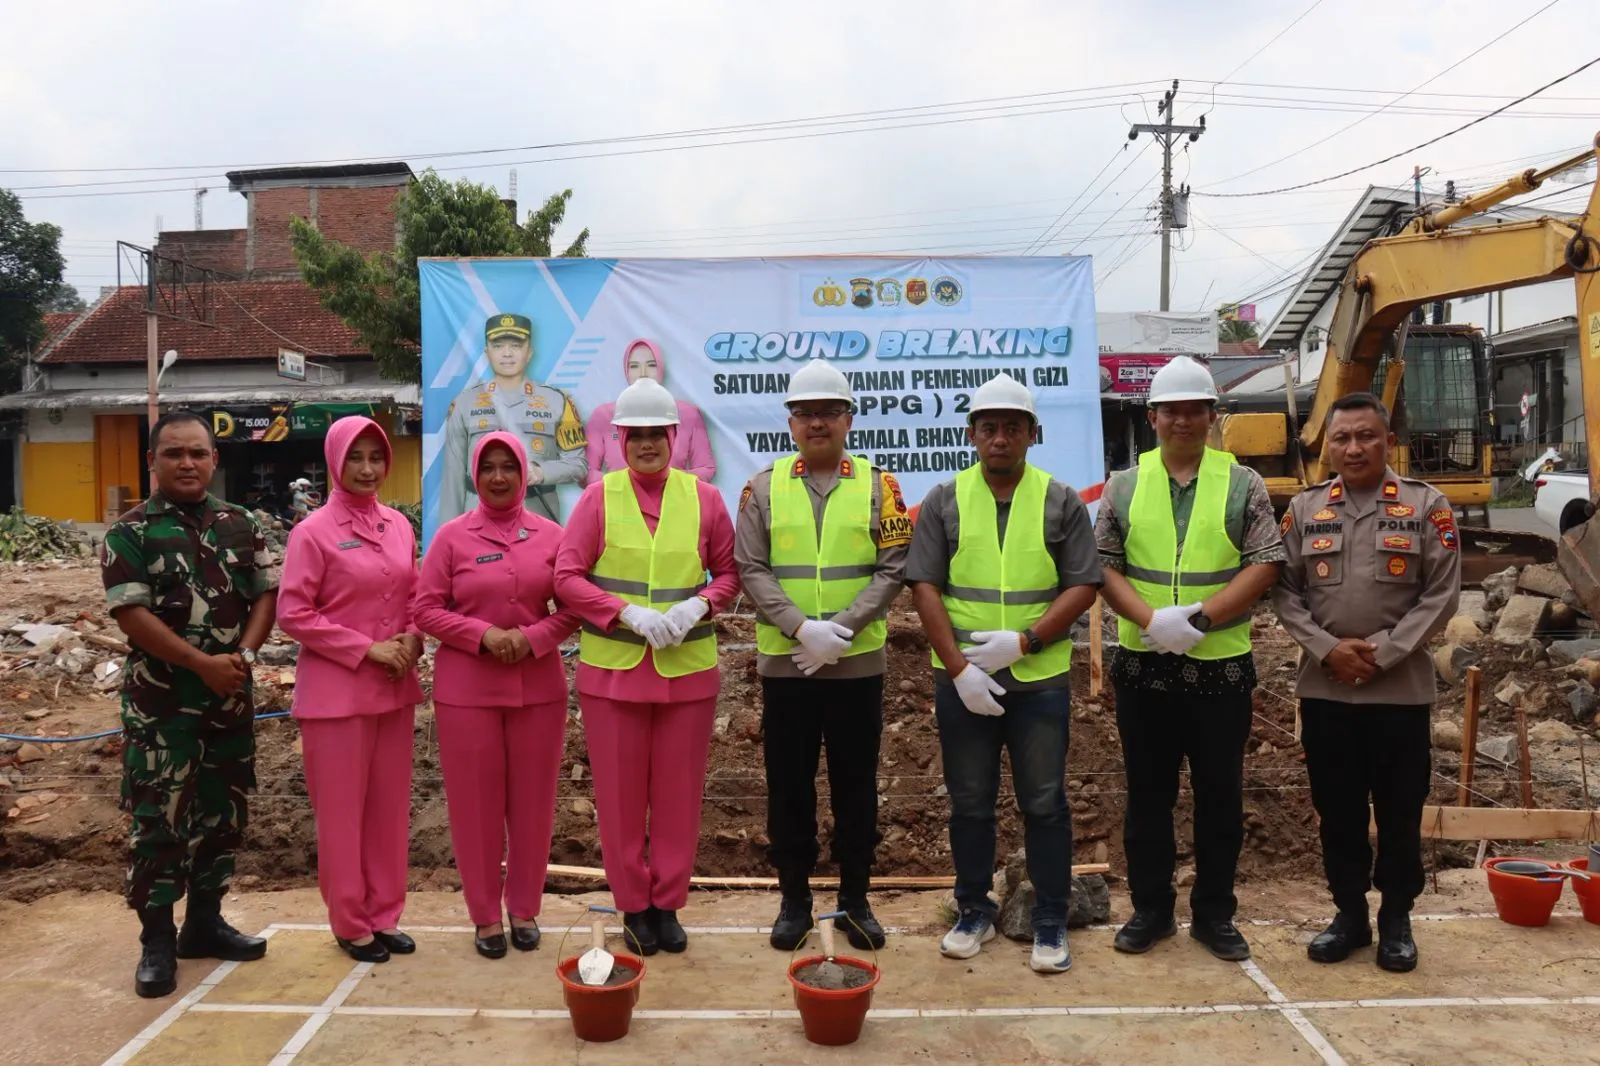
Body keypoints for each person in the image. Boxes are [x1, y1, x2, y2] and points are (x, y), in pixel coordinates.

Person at [906, 375, 1102, 974]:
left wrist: (1027, 640)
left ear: (1031, 434)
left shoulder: (1059, 499)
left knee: (1043, 803)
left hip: (1038, 681)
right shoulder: (944, 499)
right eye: (988, 427)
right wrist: (961, 668)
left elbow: (1084, 583)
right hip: (964, 682)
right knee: (970, 804)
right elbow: (924, 585)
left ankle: (1049, 921)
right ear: (972, 434)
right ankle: (972, 910)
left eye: (1012, 427)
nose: (999, 438)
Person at [1095, 356, 1283, 962]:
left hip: (1220, 667)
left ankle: (1214, 914)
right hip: (1143, 666)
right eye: (1171, 409)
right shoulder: (1123, 485)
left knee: (1219, 796)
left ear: (1211, 416)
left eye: (1194, 409)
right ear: (1152, 417)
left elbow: (1265, 562)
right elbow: (1102, 565)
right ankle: (1151, 911)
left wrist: (1200, 619)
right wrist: (1154, 622)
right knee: (1148, 796)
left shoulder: (1244, 484)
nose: (1182, 420)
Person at [1272, 393, 1460, 974]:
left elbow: (1441, 594)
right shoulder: (1303, 511)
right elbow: (1283, 590)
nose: (1353, 447)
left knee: (1401, 811)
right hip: (1327, 691)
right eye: (1342, 438)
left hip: (1399, 693)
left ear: (1388, 441)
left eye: (1366, 436)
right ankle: (1349, 914)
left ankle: (1397, 919)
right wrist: (1329, 650)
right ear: (1327, 445)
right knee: (1339, 811)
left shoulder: (1427, 507)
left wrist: (1381, 654)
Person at [554, 378, 740, 956]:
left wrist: (698, 604)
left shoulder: (705, 499)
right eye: (635, 436)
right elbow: (566, 578)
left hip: (686, 671)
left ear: (674, 436)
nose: (646, 444)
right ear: (620, 441)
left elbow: (730, 574)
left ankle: (668, 906)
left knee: (680, 796)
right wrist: (625, 613)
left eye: (657, 433)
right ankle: (634, 906)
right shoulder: (597, 498)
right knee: (619, 797)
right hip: (614, 673)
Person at [734, 359, 909, 953]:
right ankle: (795, 901)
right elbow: (750, 568)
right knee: (789, 785)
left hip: (856, 664)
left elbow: (894, 568)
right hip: (787, 667)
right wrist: (799, 628)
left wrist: (840, 628)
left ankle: (856, 900)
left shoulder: (880, 486)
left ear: (849, 419)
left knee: (856, 785)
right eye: (806, 413)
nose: (817, 423)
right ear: (790, 422)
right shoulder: (761, 487)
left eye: (829, 412)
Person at [102, 410, 279, 999]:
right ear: (151, 461)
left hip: (230, 699)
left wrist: (244, 659)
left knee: (223, 813)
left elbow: (264, 597)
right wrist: (202, 664)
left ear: (214, 460)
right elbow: (132, 616)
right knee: (159, 820)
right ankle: (156, 941)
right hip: (162, 708)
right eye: (174, 453)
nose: (187, 463)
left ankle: (204, 922)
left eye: (198, 453)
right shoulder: (129, 533)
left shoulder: (243, 523)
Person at [415, 431, 581, 959]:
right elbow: (425, 608)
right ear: (474, 475)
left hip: (539, 689)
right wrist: (482, 636)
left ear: (526, 473)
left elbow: (576, 606)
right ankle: (485, 915)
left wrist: (533, 638)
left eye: (509, 466)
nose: (499, 477)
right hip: (467, 691)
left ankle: (525, 908)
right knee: (475, 807)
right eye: (488, 467)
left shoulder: (555, 536)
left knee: (533, 805)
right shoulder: (450, 538)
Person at [277, 415, 424, 964]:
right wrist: (365, 648)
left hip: (394, 686)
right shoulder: (311, 531)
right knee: (342, 814)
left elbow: (415, 592)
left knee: (388, 810)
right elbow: (293, 612)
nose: (367, 469)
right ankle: (350, 920)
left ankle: (385, 914)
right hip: (336, 694)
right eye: (355, 458)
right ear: (336, 461)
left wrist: (413, 636)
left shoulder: (399, 526)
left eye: (376, 458)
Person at [440, 313, 587, 525]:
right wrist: (447, 538)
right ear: (486, 352)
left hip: (538, 522)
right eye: (498, 345)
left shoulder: (558, 402)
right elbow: (453, 481)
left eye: (516, 346)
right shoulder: (464, 404)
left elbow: (578, 464)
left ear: (529, 352)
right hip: (479, 524)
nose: (507, 354)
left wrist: (541, 472)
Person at [585, 338, 716, 484]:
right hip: (620, 502)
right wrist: (624, 484)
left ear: (661, 368)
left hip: (675, 502)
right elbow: (586, 472)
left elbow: (706, 468)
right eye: (634, 366)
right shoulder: (603, 415)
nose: (643, 373)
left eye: (651, 365)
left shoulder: (688, 413)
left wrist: (665, 482)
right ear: (625, 370)